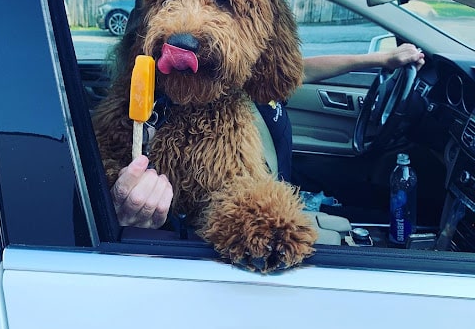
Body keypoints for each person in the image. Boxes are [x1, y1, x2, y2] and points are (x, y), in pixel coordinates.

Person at [110, 43, 425, 229]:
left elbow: (305, 69)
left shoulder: (254, 80)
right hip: (256, 216)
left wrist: (381, 59)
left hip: (283, 197)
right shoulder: (200, 102)